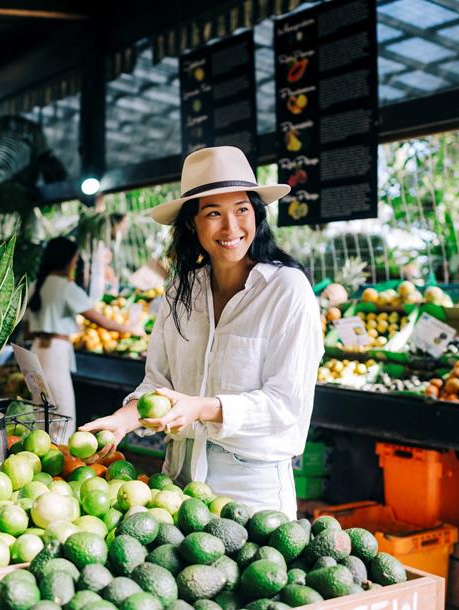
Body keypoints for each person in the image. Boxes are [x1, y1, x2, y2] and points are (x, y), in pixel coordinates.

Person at [82, 146, 323, 518]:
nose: (231, 228)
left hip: (250, 495)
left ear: (257, 215)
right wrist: (123, 420)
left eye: (242, 210)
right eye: (213, 213)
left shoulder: (287, 289)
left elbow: (285, 404)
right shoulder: (180, 291)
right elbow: (156, 382)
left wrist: (202, 408)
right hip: (175, 487)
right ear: (192, 223)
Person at [27, 237, 140, 433]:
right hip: (55, 353)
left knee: (40, 413)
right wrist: (131, 329)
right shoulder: (65, 287)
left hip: (35, 349)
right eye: (75, 260)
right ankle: (61, 460)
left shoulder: (36, 285)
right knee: (62, 415)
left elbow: (27, 329)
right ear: (68, 260)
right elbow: (100, 320)